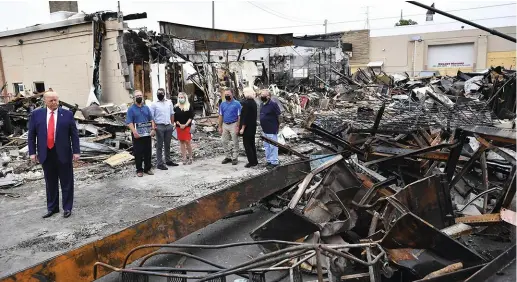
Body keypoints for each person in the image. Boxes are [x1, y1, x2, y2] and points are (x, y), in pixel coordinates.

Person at [28, 91, 80, 219]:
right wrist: (32, 152)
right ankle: (52, 208)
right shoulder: (36, 115)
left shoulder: (67, 114)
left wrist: (76, 151)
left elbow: (74, 134)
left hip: (63, 153)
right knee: (50, 183)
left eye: (56, 100)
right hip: (46, 154)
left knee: (66, 182)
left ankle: (67, 208)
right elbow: (31, 135)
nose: (54, 103)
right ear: (45, 101)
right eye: (51, 100)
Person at [126, 90, 155, 177]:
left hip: (147, 134)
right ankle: (139, 170)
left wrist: (153, 129)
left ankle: (147, 168)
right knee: (138, 152)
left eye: (140, 95)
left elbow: (151, 119)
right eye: (137, 96)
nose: (139, 97)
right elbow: (129, 122)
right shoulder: (131, 109)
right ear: (134, 98)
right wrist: (134, 132)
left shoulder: (146, 108)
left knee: (147, 151)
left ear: (142, 97)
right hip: (137, 135)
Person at [150, 88, 178, 170]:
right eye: (158, 93)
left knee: (167, 144)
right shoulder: (154, 104)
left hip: (168, 126)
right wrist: (154, 127)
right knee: (159, 145)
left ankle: (168, 160)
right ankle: (159, 163)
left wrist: (172, 124)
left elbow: (172, 113)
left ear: (164, 94)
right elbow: (151, 117)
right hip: (159, 126)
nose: (160, 95)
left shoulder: (169, 102)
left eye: (161, 93)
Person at [218, 89, 241, 165]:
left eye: (228, 94)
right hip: (225, 124)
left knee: (235, 141)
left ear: (232, 94)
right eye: (225, 94)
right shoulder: (222, 104)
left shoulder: (237, 104)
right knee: (224, 141)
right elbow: (221, 115)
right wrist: (220, 126)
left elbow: (239, 116)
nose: (227, 96)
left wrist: (238, 126)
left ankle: (235, 157)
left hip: (233, 124)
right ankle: (227, 156)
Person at [259, 89, 281, 169]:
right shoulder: (262, 104)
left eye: (263, 95)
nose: (262, 96)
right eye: (261, 95)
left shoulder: (273, 104)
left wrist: (278, 126)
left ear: (268, 96)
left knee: (273, 146)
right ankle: (269, 160)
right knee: (266, 146)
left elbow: (279, 115)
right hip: (264, 129)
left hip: (272, 129)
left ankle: (274, 162)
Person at [174, 92, 195, 165]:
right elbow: (174, 118)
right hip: (179, 127)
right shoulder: (176, 107)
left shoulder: (189, 106)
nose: (180, 99)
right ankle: (184, 158)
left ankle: (190, 157)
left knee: (187, 141)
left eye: (182, 97)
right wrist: (179, 124)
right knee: (181, 142)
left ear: (185, 98)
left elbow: (191, 117)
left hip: (187, 127)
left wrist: (185, 124)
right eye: (179, 97)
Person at [239, 88, 258, 168]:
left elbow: (245, 117)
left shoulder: (246, 104)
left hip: (247, 127)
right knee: (252, 144)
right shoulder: (254, 102)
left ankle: (251, 162)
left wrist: (242, 128)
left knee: (247, 145)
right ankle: (255, 161)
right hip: (253, 126)